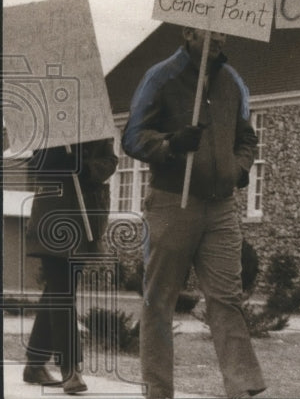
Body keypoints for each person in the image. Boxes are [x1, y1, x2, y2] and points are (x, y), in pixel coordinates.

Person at [122, 27, 265, 399]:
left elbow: (246, 137)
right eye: (209, 30)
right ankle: (157, 391)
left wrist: (238, 168)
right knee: (159, 302)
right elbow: (132, 135)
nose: (218, 38)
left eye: (223, 31)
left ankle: (241, 389)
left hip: (220, 209)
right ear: (188, 31)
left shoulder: (233, 82)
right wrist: (169, 144)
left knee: (226, 298)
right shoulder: (160, 76)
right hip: (172, 202)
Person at [23, 138, 117, 394]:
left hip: (87, 218)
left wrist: (86, 169)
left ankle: (34, 362)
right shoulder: (50, 126)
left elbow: (111, 161)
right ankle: (70, 367)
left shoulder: (96, 122)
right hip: (53, 217)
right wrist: (60, 161)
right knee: (63, 291)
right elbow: (34, 167)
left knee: (58, 290)